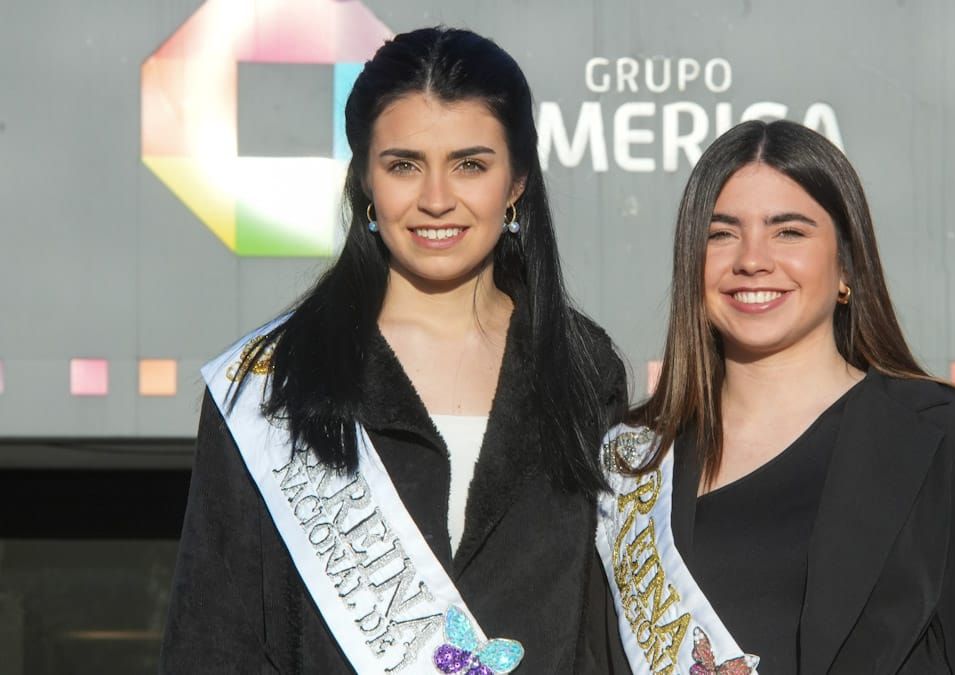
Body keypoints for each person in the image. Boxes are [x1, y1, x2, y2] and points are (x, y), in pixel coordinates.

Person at [160, 27, 628, 674]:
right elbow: (215, 643)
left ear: (517, 181)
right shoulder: (272, 383)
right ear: (365, 181)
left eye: (471, 164)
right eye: (404, 165)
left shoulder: (584, 369)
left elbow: (604, 637)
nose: (436, 198)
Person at [596, 120, 955, 674]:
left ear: (847, 265)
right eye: (722, 233)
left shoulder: (941, 432)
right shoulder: (632, 461)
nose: (752, 259)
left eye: (789, 232)